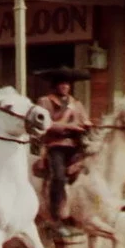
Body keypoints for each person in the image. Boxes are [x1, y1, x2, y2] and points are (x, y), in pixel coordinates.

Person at [34, 67, 93, 236]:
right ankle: (55, 218)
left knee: (89, 173)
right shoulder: (44, 102)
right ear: (55, 85)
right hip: (55, 146)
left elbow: (84, 120)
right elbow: (45, 124)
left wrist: (87, 125)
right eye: (61, 83)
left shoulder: (77, 104)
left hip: (76, 146)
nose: (65, 86)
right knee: (58, 177)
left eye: (67, 83)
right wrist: (70, 126)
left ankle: (80, 212)